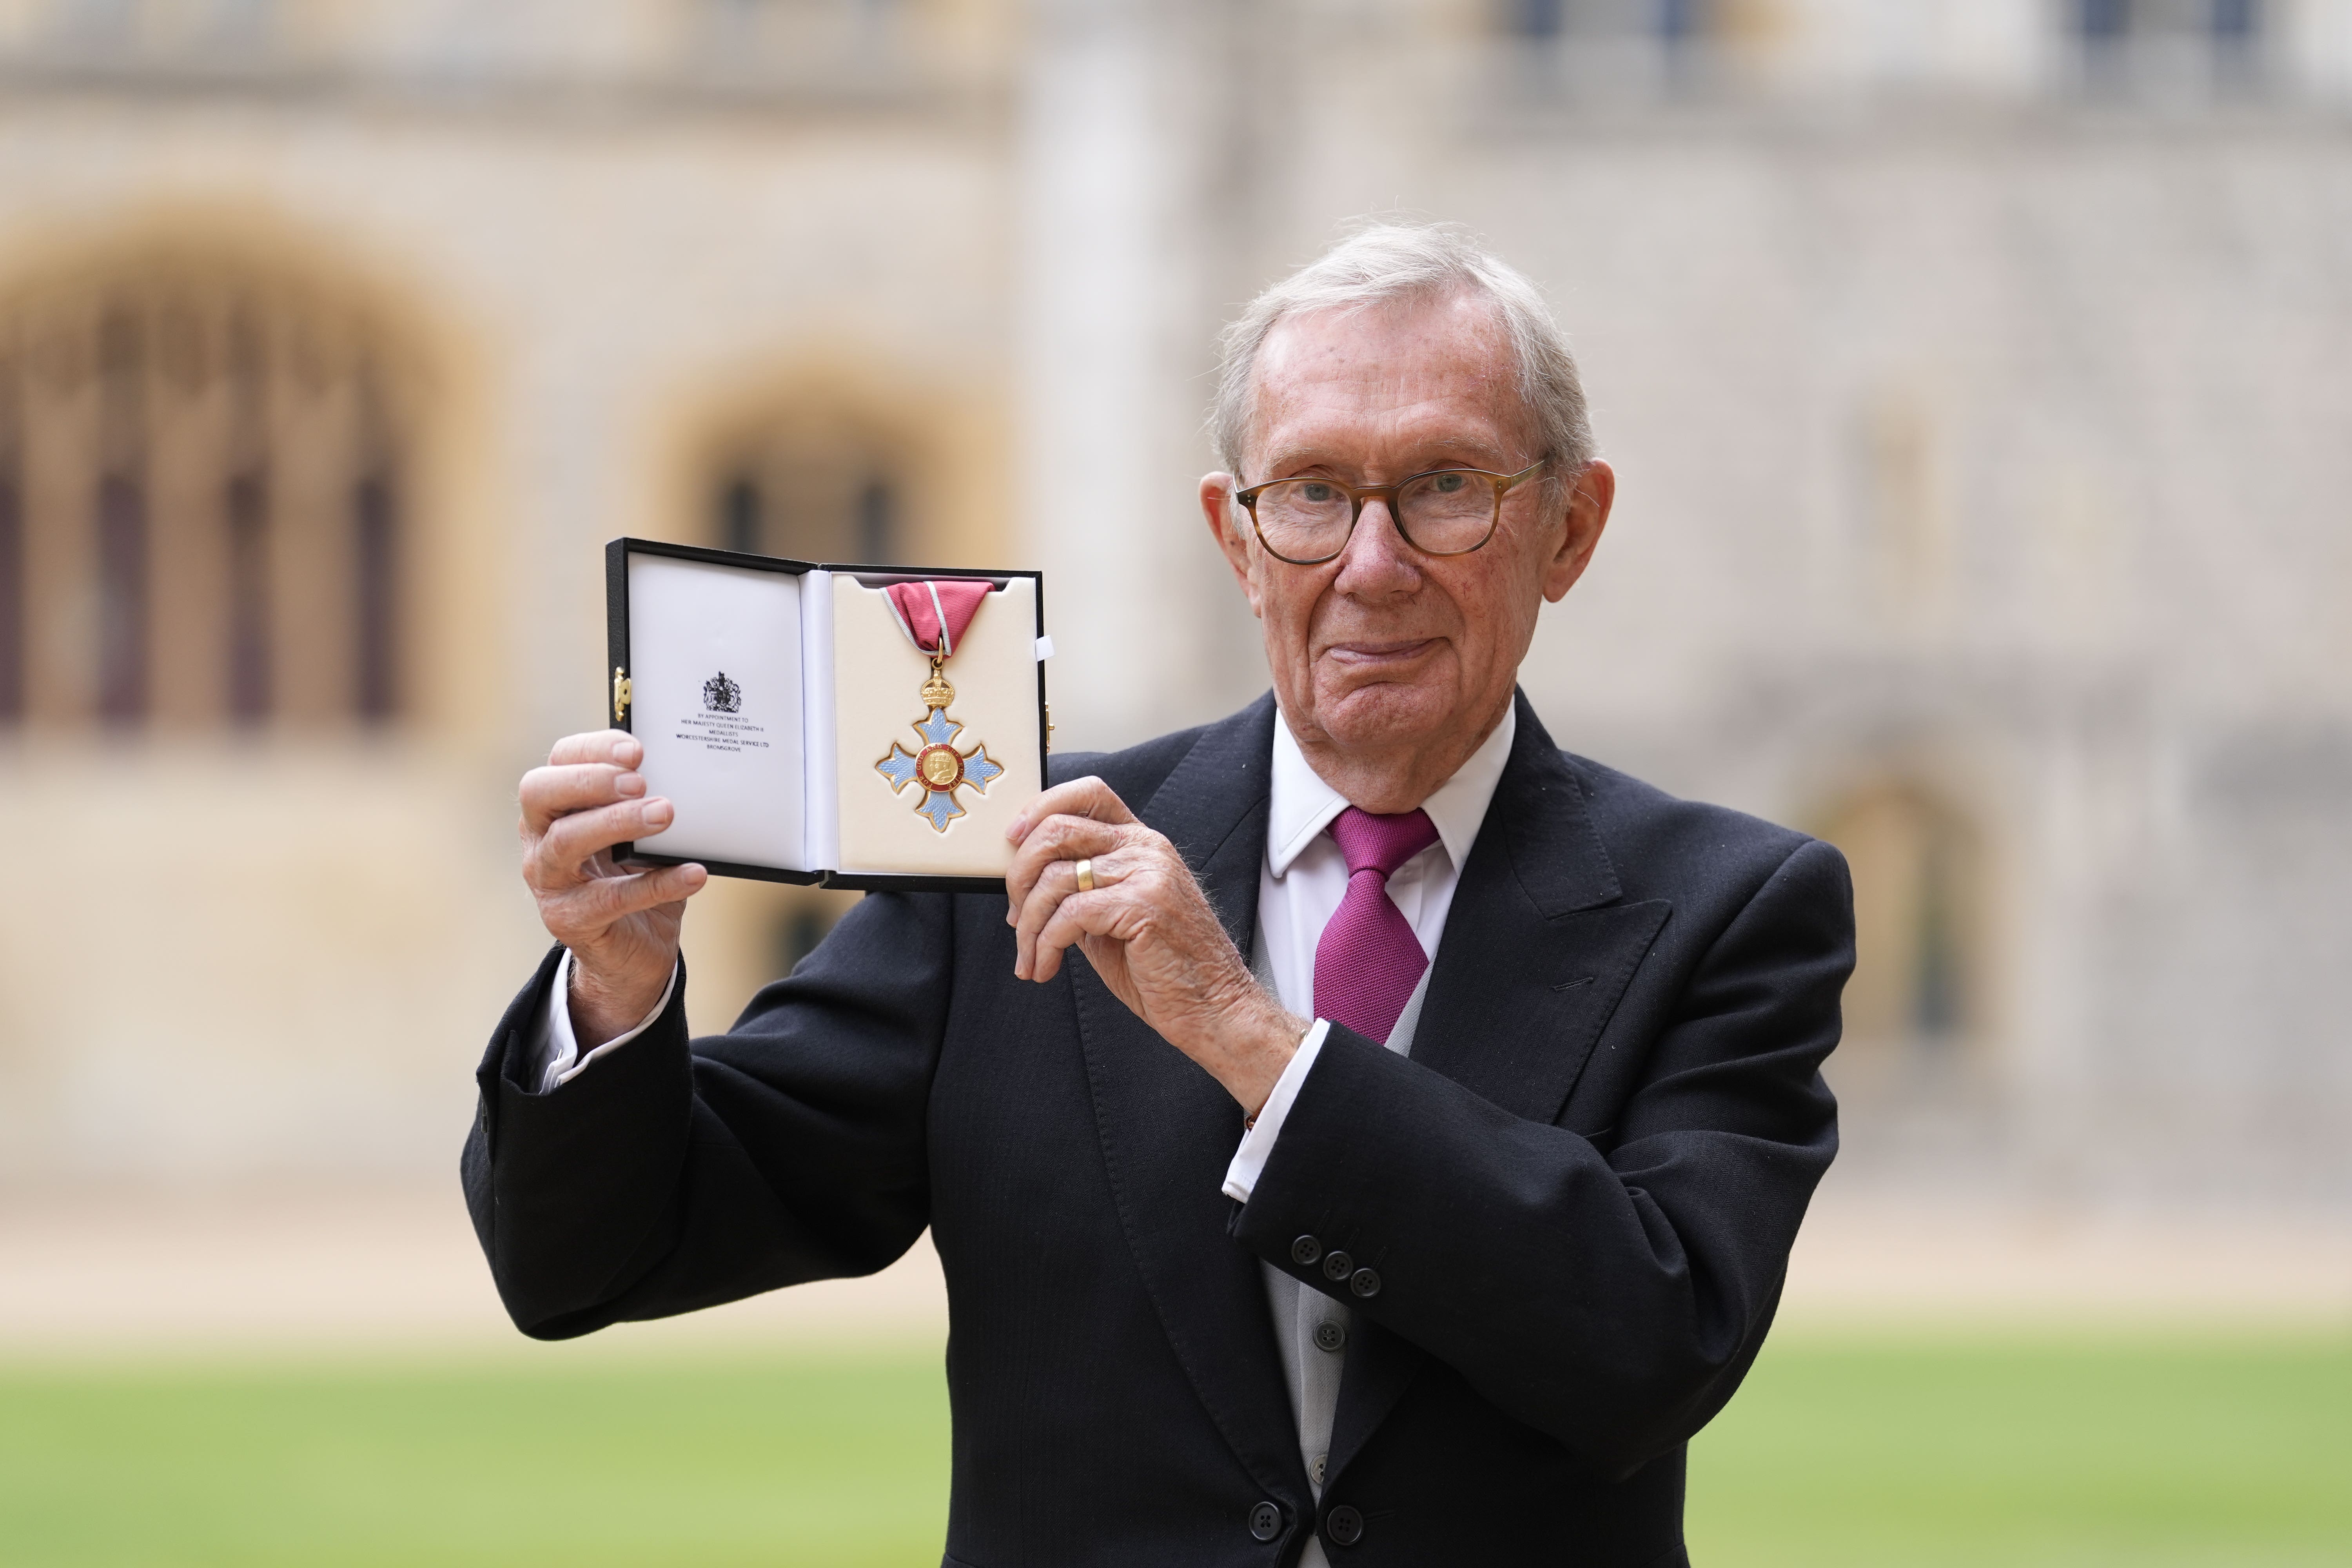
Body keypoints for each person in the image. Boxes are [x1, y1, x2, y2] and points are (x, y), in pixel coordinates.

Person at [465, 222, 1852, 1566]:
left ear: (1569, 527)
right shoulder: (1009, 859)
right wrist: (618, 989)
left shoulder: (1732, 906)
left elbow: (1653, 1347)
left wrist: (1247, 1036)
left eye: (1445, 485)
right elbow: (592, 1263)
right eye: (1310, 493)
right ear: (1237, 541)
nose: (1372, 565)